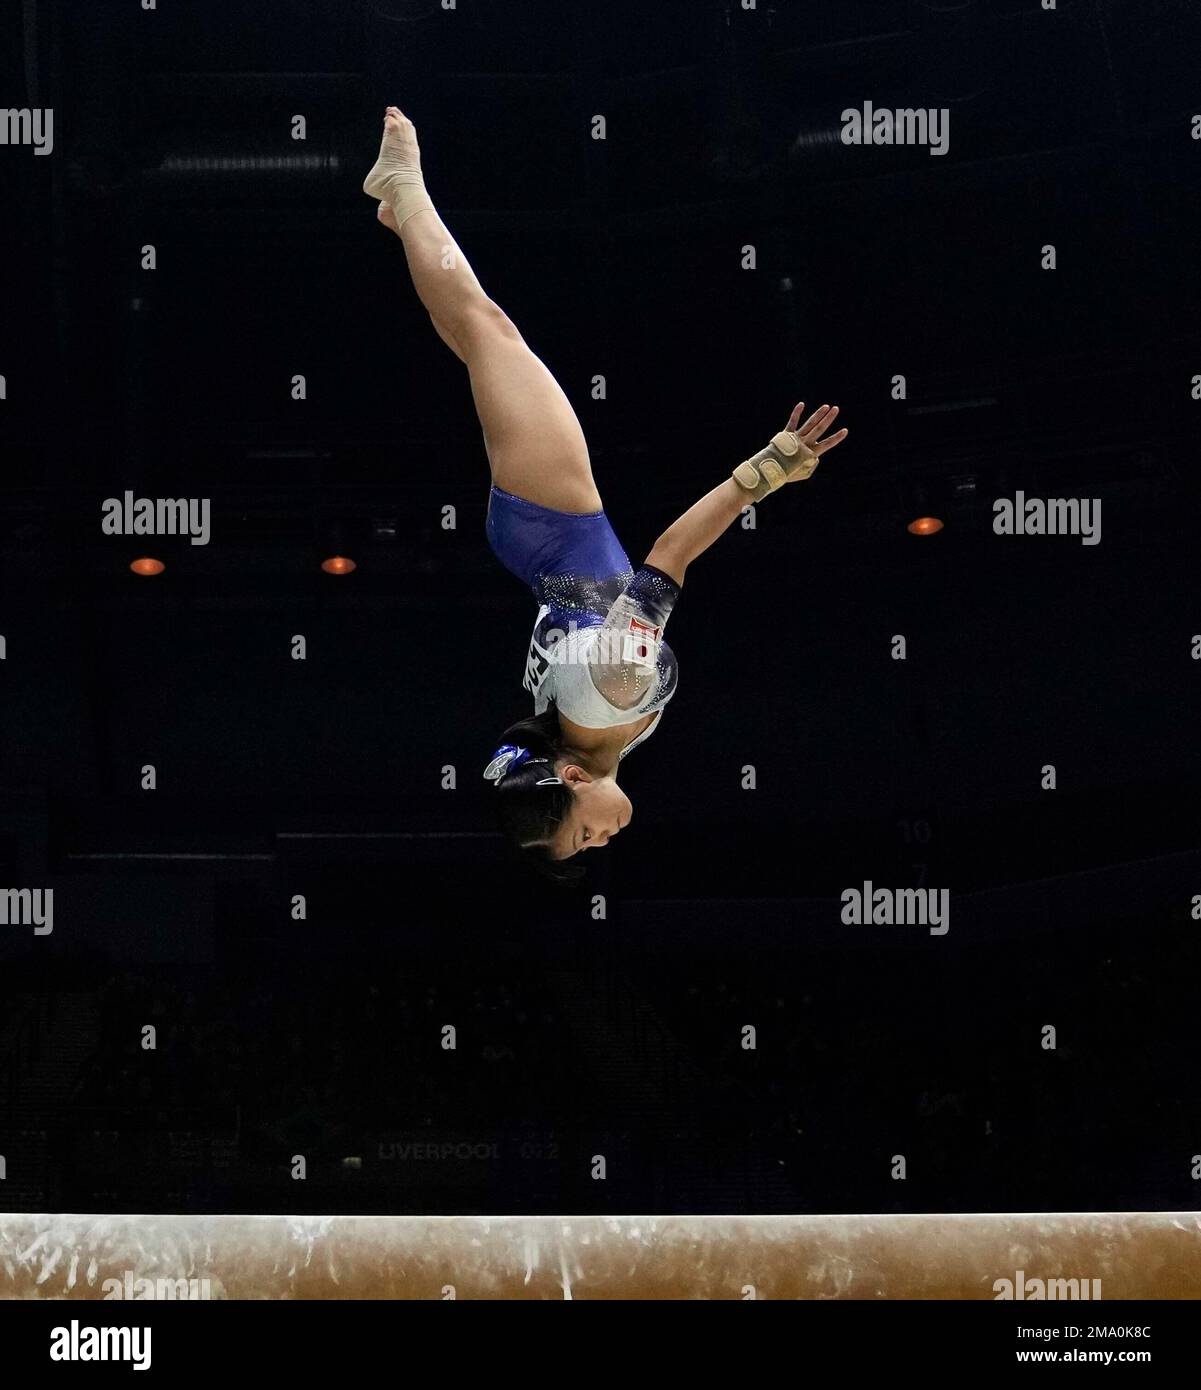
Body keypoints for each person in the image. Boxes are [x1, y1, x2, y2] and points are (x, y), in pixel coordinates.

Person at [365, 107, 848, 877]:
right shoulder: (578, 742)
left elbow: (669, 557)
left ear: (571, 780)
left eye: (583, 833)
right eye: (587, 844)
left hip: (553, 518)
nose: (602, 840)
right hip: (536, 545)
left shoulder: (608, 699)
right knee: (474, 339)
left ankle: (404, 188)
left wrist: (764, 471)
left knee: (486, 329)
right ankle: (404, 220)